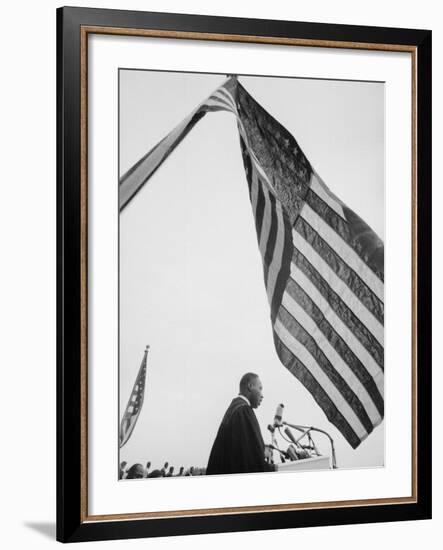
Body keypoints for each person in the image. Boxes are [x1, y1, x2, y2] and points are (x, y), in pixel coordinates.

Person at [206, 373, 275, 475]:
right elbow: (251, 461)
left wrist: (261, 449)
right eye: (260, 388)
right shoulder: (243, 410)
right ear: (250, 386)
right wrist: (275, 469)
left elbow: (240, 449)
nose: (262, 395)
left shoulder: (235, 408)